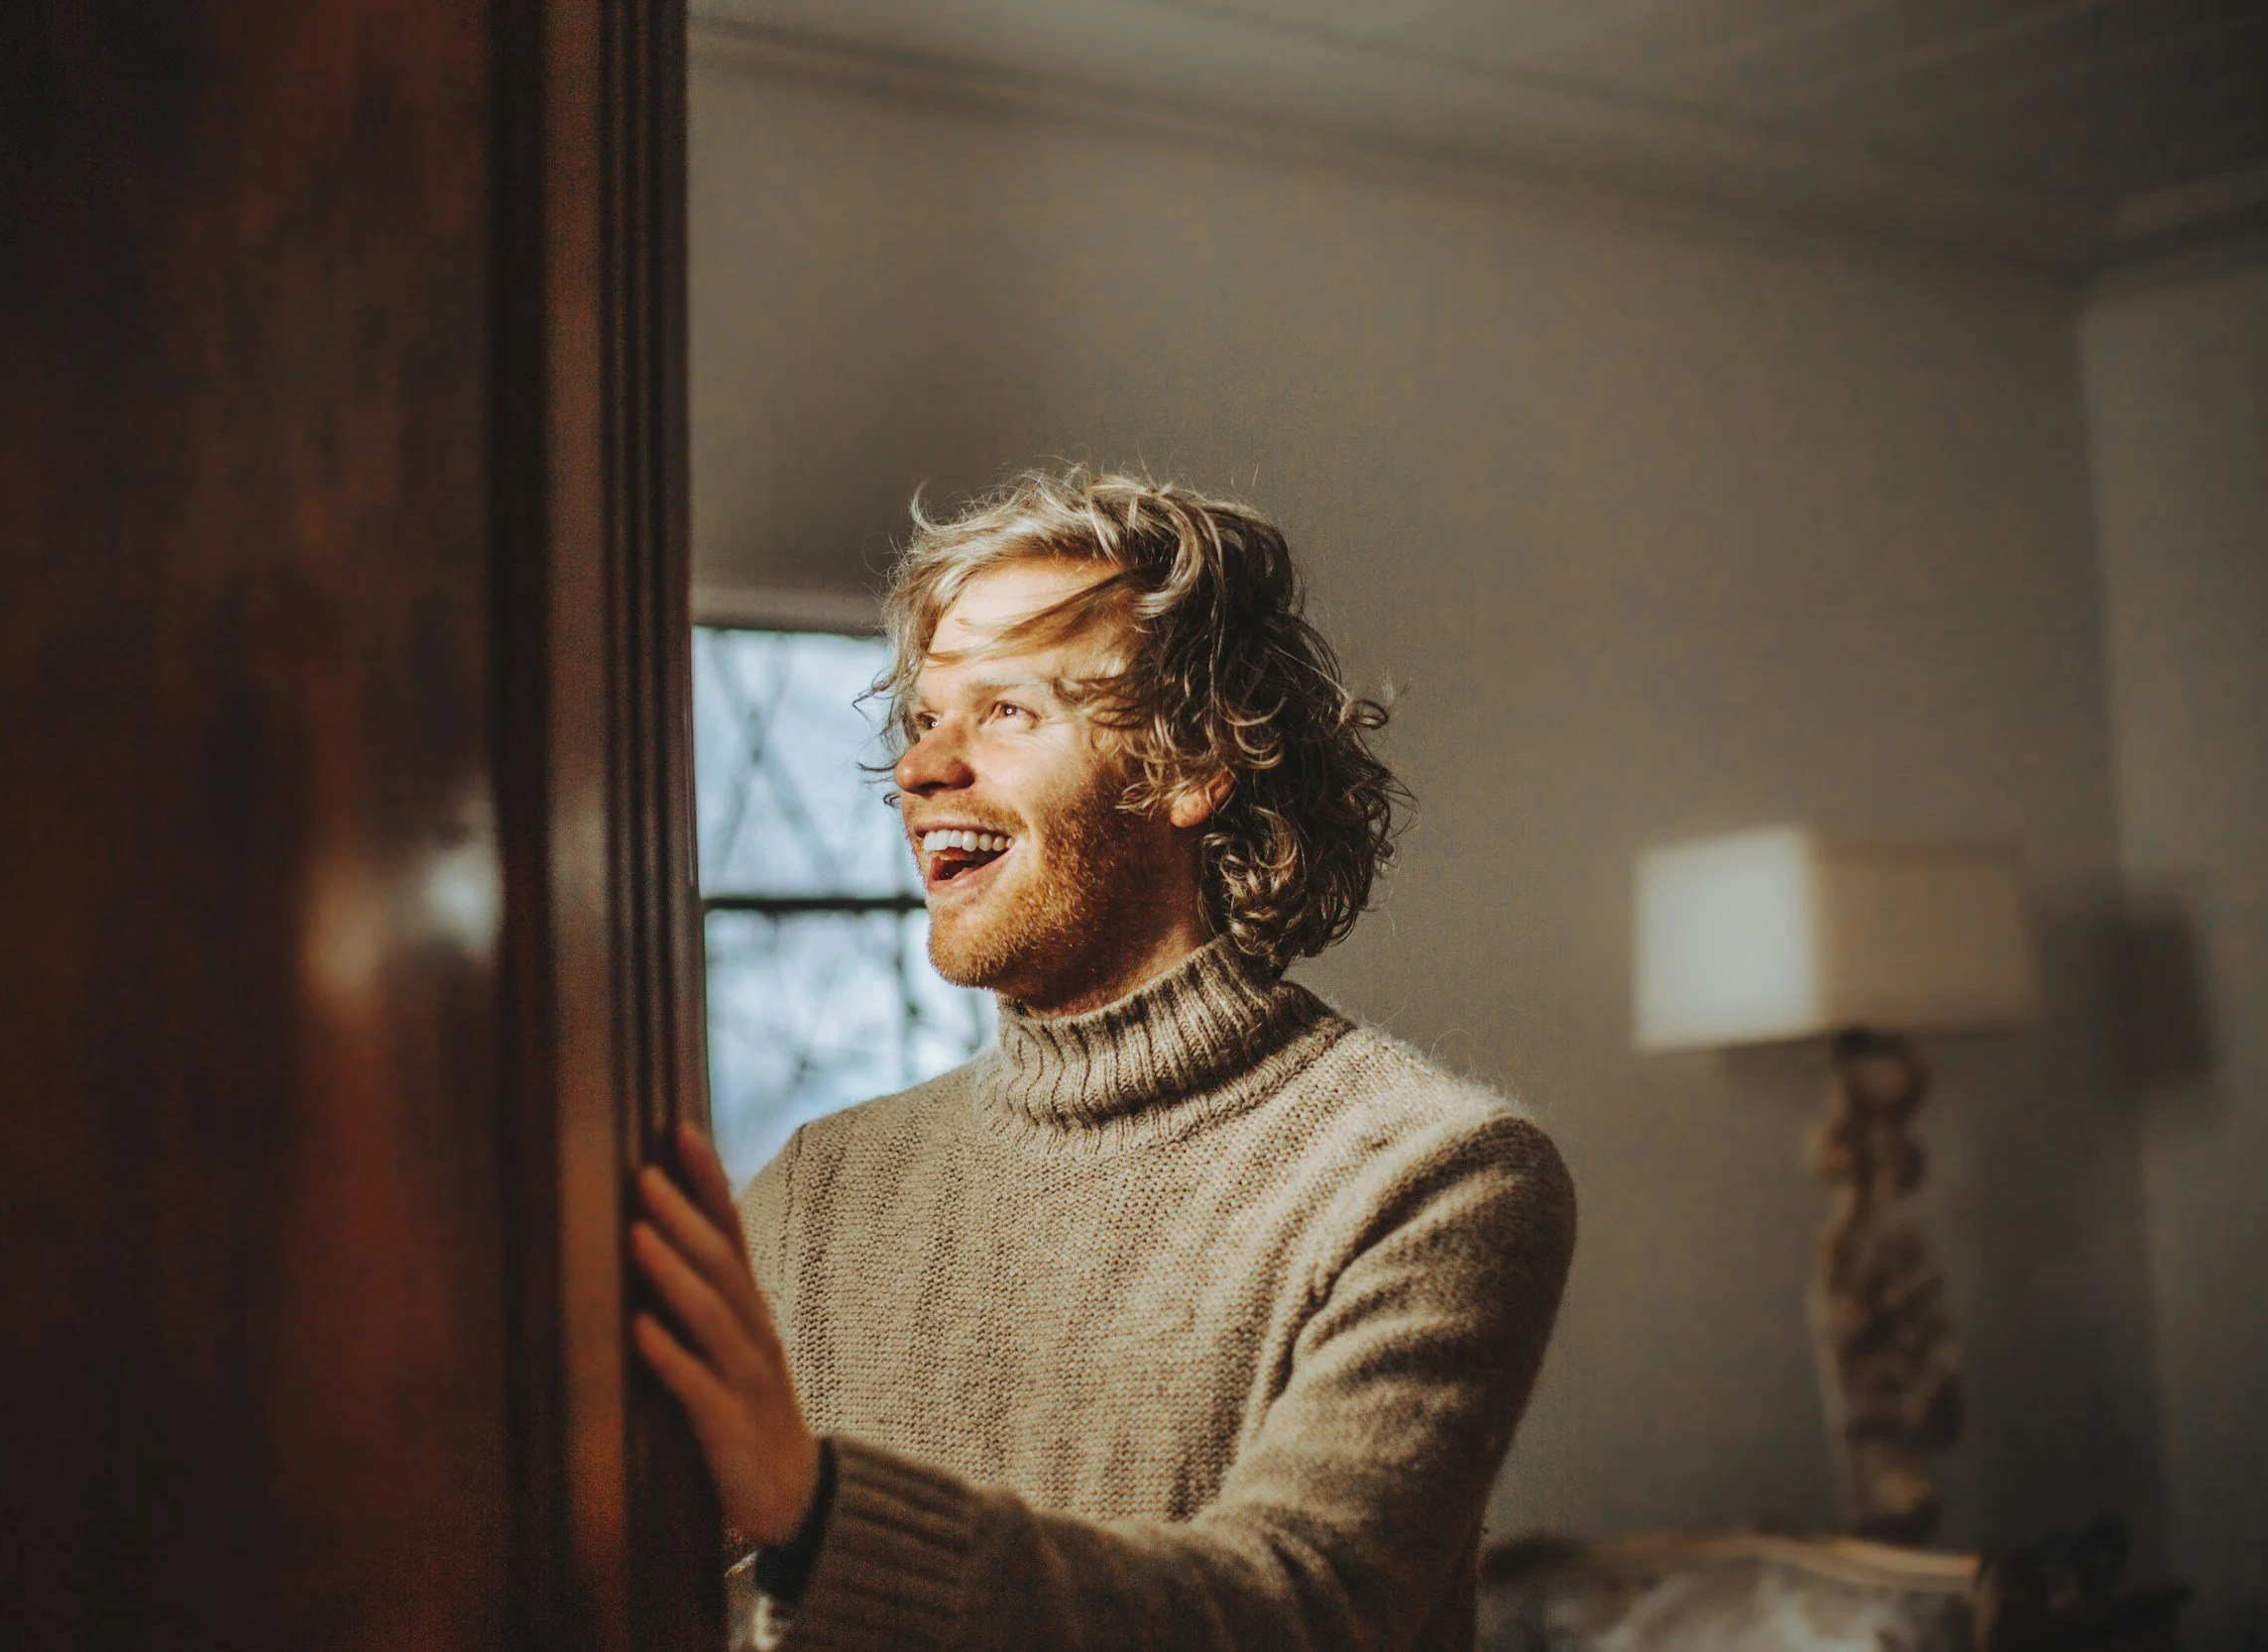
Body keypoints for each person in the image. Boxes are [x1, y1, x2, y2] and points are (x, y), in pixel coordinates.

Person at [629, 469, 1575, 1651]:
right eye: (926, 718)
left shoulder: (1432, 1177)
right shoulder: (820, 1190)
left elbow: (1298, 1610)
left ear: (1194, 765)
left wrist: (818, 1513)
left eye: (1009, 711)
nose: (924, 770)